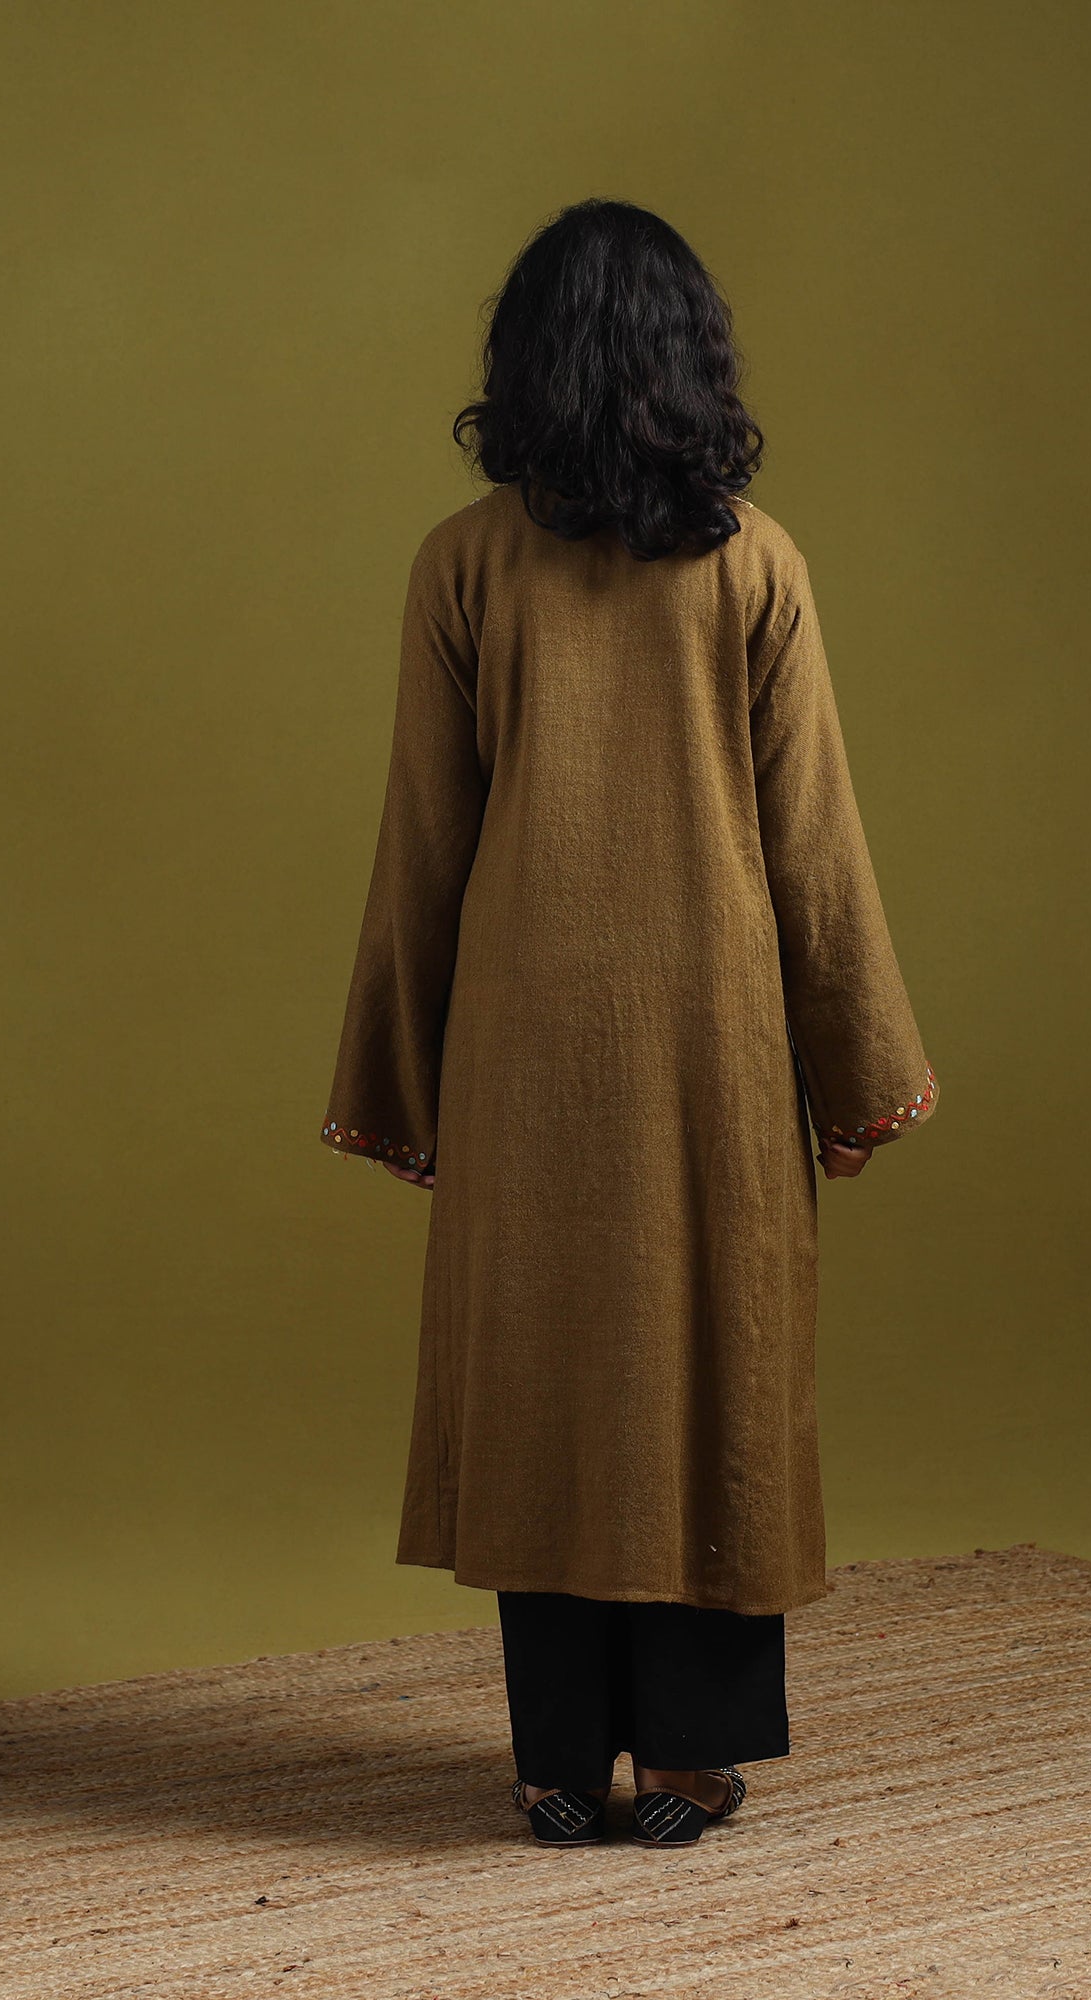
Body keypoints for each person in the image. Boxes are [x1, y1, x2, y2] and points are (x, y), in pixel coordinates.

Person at [320, 198, 936, 1847]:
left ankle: (556, 1762)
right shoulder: (758, 562)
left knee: (547, 1381)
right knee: (706, 1371)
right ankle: (687, 1759)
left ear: (523, 365)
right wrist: (860, 1081)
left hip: (521, 1045)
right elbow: (814, 848)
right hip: (717, 1043)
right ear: (692, 363)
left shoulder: (462, 562)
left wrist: (400, 1083)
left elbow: (425, 844)